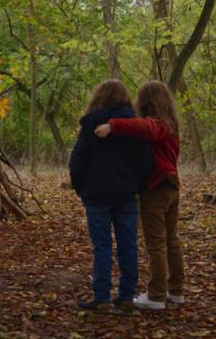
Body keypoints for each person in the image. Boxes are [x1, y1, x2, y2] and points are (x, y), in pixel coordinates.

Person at [94, 81, 185, 310]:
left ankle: (156, 296)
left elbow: (145, 128)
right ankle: (175, 291)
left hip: (157, 189)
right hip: (171, 187)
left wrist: (112, 126)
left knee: (157, 244)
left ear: (146, 102)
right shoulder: (171, 124)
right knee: (171, 241)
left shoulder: (159, 125)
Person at [69, 80, 152, 313]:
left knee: (102, 247)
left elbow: (77, 160)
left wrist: (80, 187)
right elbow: (145, 161)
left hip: (96, 195)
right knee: (128, 245)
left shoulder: (90, 125)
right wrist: (137, 185)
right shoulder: (135, 126)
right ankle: (126, 297)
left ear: (99, 97)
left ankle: (102, 298)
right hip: (126, 195)